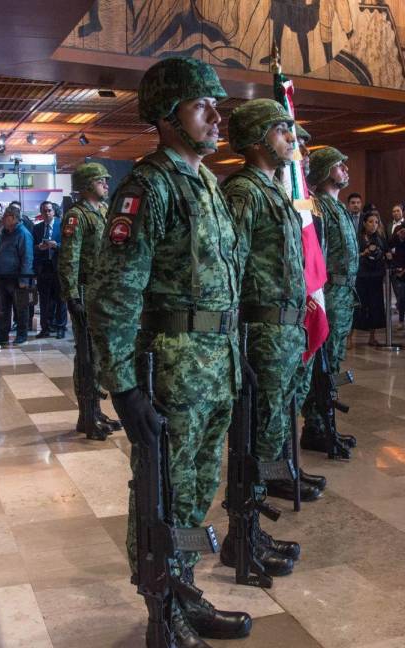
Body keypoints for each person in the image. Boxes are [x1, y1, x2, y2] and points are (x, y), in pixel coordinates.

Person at [88, 57, 252, 646]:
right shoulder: (147, 187)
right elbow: (114, 296)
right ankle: (161, 596)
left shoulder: (207, 183)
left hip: (216, 363)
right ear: (165, 115)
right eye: (201, 105)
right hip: (175, 366)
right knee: (164, 487)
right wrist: (123, 386)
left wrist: (240, 354)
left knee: (198, 483)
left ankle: (183, 586)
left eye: (217, 104)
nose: (216, 115)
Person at [223, 98, 319, 511]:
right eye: (282, 131)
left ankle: (273, 482)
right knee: (262, 423)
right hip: (262, 328)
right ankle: (248, 514)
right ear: (258, 140)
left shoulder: (272, 190)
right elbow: (233, 263)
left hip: (285, 325)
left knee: (278, 416)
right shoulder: (244, 190)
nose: (291, 139)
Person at [299, 146, 359, 456]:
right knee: (323, 364)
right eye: (338, 166)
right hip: (330, 295)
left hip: (343, 296)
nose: (345, 170)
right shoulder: (319, 207)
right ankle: (316, 427)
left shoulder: (338, 208)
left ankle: (326, 424)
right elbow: (316, 259)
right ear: (324, 173)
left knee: (332, 362)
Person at [58, 162, 121, 439]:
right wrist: (71, 295)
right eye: (100, 181)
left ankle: (96, 411)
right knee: (86, 355)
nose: (106, 185)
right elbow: (69, 259)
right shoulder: (77, 216)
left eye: (106, 181)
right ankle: (86, 416)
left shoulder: (104, 212)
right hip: (85, 291)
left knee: (98, 355)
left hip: (104, 292)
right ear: (86, 186)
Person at [0, 206, 34, 346]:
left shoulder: (23, 233)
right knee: (3, 309)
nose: (3, 218)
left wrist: (24, 279)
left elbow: (27, 257)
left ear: (14, 218)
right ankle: (3, 335)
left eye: (6, 216)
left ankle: (22, 335)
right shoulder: (3, 233)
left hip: (17, 278)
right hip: (2, 276)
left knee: (21, 308)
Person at [32, 201, 67, 339]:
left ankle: (60, 327)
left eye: (49, 210)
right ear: (41, 213)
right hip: (43, 268)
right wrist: (39, 247)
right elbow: (33, 247)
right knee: (44, 300)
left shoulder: (62, 224)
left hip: (59, 266)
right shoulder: (37, 228)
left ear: (53, 211)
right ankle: (45, 328)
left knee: (60, 299)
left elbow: (69, 244)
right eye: (44, 211)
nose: (47, 213)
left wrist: (56, 245)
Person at [354, 211, 388, 346]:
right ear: (364, 223)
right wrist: (364, 253)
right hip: (361, 276)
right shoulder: (357, 238)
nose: (373, 225)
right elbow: (352, 255)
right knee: (358, 306)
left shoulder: (380, 238)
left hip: (376, 276)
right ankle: (350, 337)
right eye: (370, 222)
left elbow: (386, 252)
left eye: (376, 222)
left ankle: (372, 336)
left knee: (375, 306)